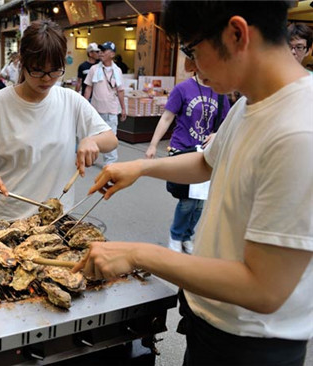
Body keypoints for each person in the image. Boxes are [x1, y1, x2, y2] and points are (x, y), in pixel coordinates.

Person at [74, 2, 313, 365]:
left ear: (236, 34)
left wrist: (139, 254)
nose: (189, 66)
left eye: (192, 50)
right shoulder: (250, 103)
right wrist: (139, 167)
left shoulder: (299, 131)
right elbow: (207, 163)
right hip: (213, 323)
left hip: (251, 346)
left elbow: (265, 289)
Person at [0, 20, 118, 222]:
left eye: (55, 70)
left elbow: (110, 139)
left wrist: (93, 141)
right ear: (23, 62)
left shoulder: (70, 100)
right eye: (38, 70)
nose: (47, 79)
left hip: (57, 218)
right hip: (7, 219)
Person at [145, 58, 230, 253]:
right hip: (183, 149)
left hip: (207, 153)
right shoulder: (182, 89)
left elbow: (228, 122)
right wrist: (152, 145)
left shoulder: (220, 93)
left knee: (200, 203)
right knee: (187, 200)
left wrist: (217, 134)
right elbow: (167, 117)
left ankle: (187, 236)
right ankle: (176, 236)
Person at [84, 41, 126, 166]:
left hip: (111, 110)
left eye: (104, 50)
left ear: (112, 54)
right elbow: (88, 88)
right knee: (93, 136)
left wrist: (123, 108)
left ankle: (110, 164)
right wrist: (85, 105)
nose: (101, 53)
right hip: (96, 110)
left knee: (111, 138)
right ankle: (91, 157)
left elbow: (120, 91)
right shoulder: (94, 69)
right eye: (100, 50)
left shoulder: (117, 70)